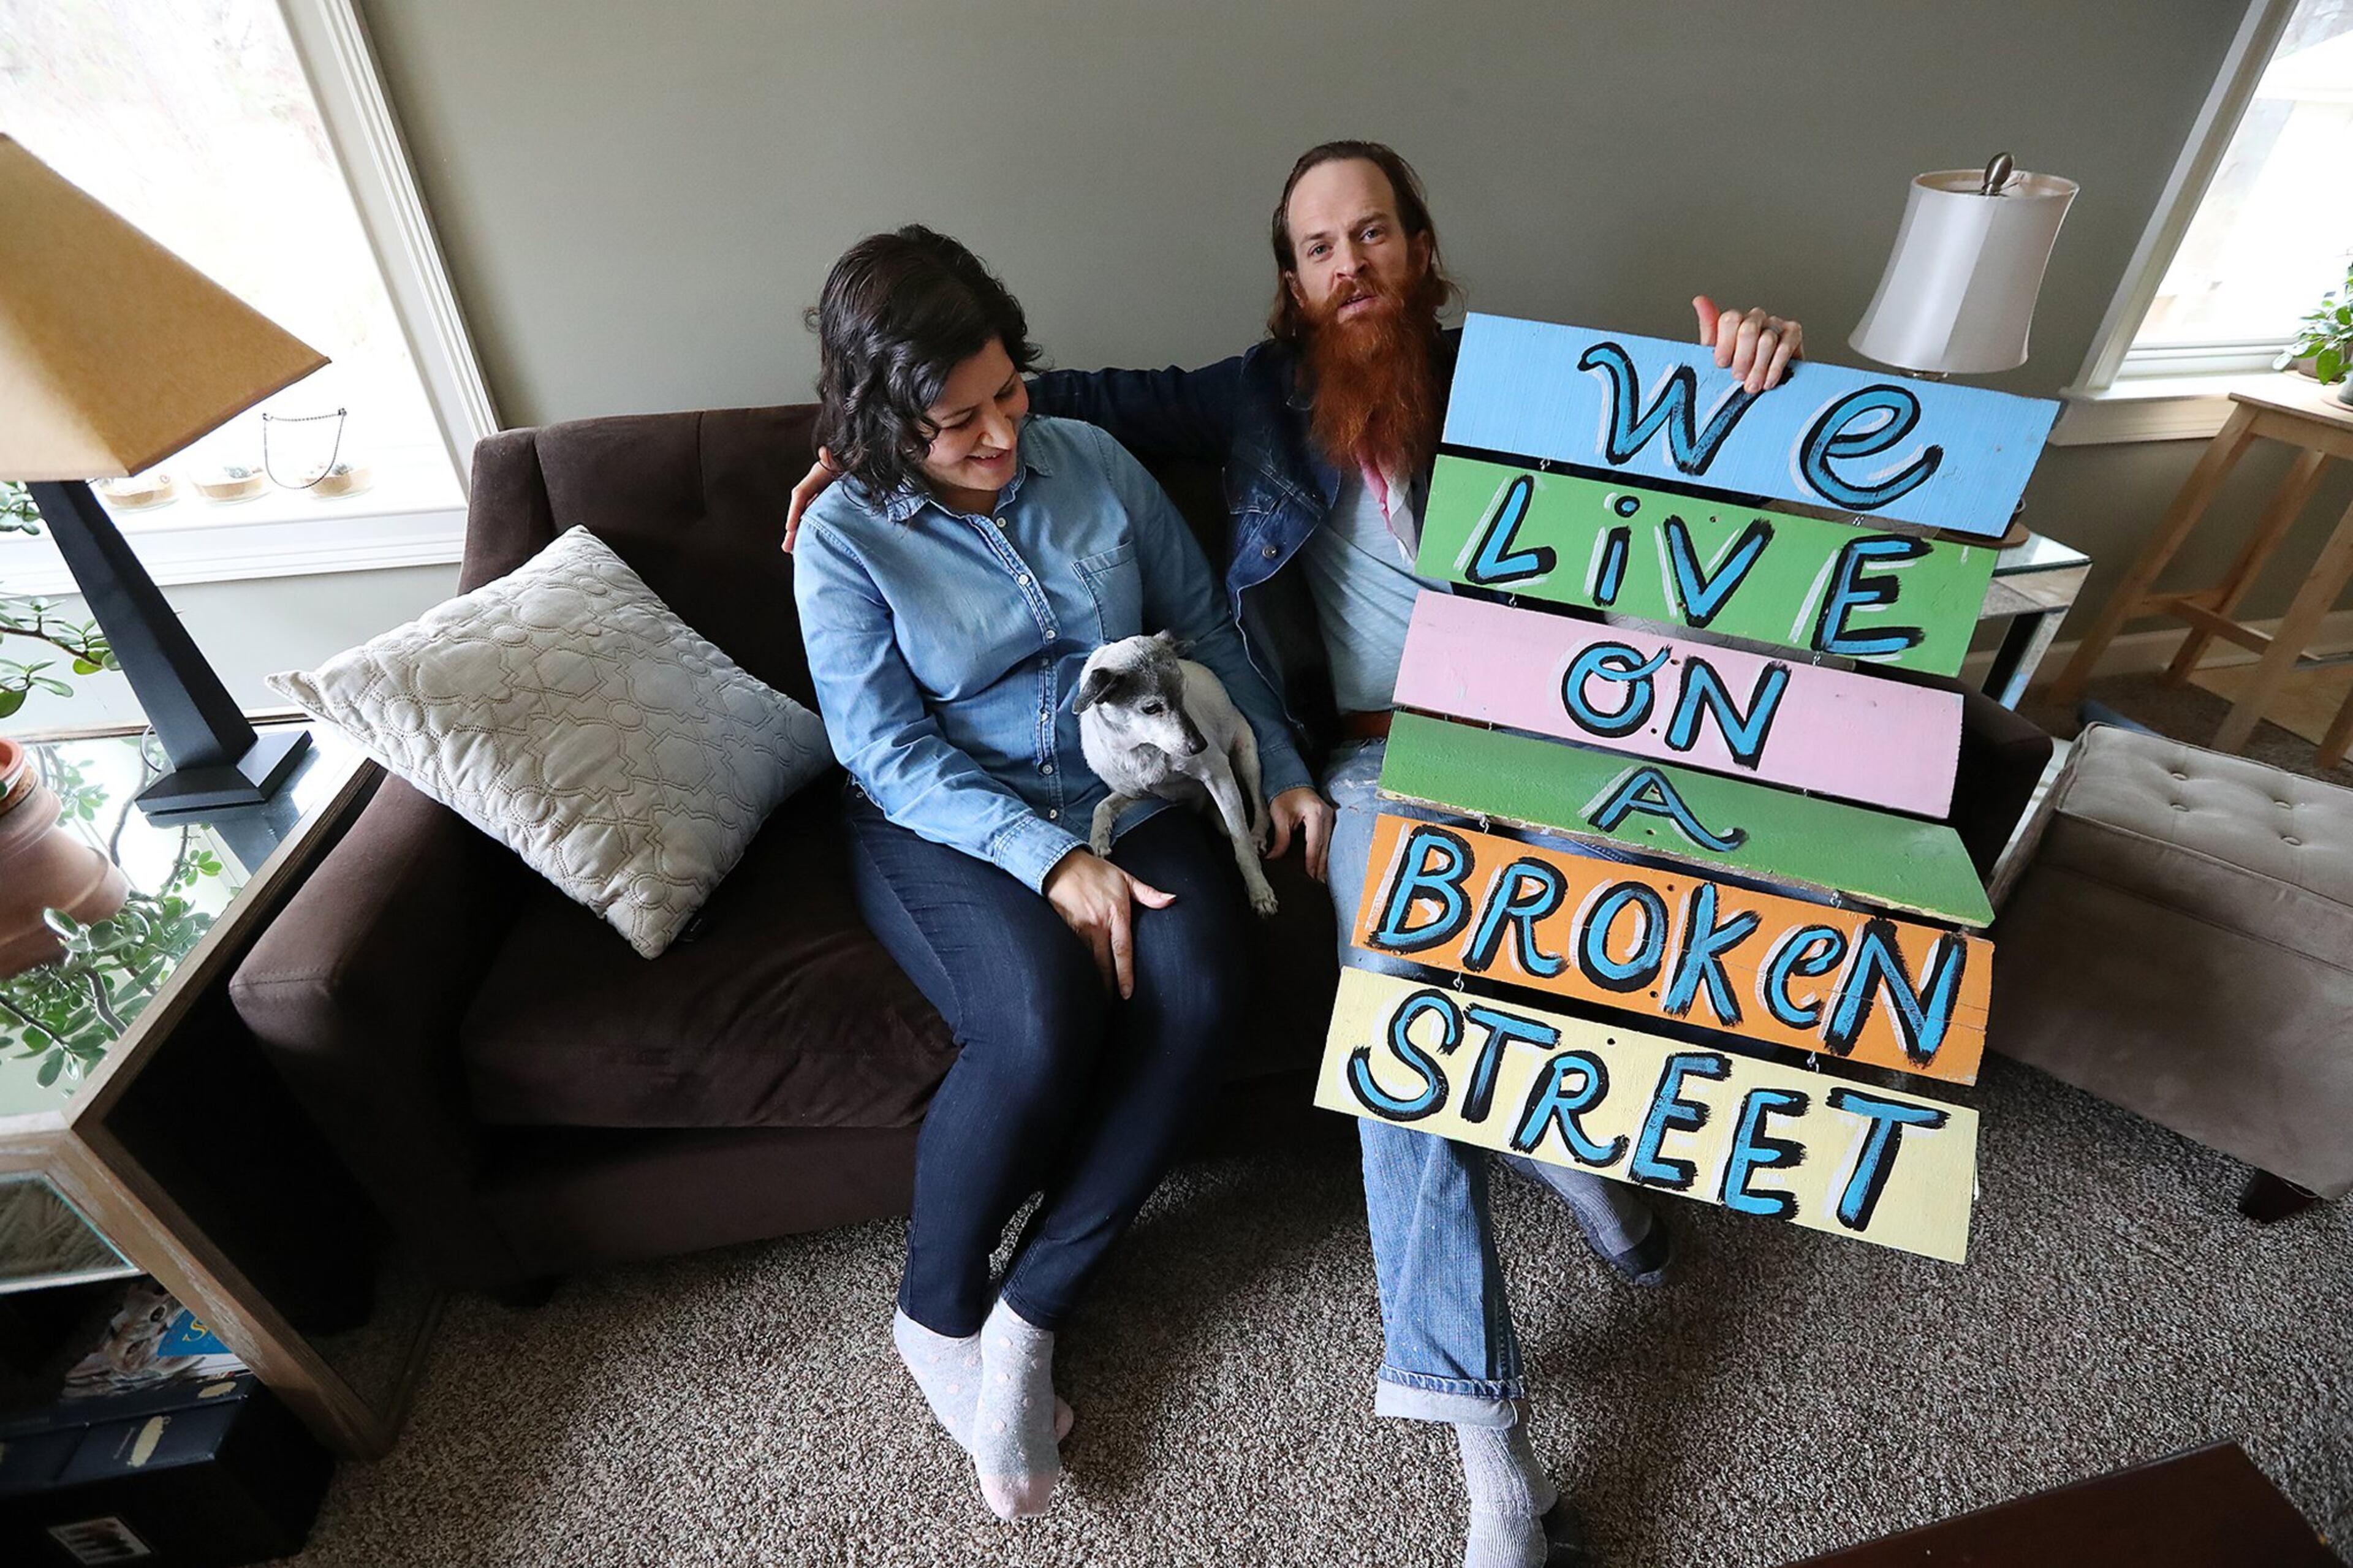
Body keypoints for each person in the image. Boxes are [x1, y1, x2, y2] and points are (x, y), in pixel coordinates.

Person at [786, 146, 1803, 1568]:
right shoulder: (1240, 395)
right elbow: (917, 684)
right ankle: (1486, 1449)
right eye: (1320, 246)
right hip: (1335, 760)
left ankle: (1553, 1127)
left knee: (1694, 897)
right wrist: (864, 449)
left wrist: (1752, 378)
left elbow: (1697, 458)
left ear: (1422, 246)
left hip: (1547, 734)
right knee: (1394, 1004)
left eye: (1373, 233)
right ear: (1292, 280)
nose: (1351, 266)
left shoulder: (1536, 378)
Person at [789, 225, 1332, 1523]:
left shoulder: (1091, 461)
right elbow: (889, 750)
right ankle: (934, 1311)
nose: (999, 436)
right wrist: (1048, 866)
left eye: (1010, 396)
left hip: (1123, 789)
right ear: (879, 423)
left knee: (1205, 987)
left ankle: (1027, 1310)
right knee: (1039, 1014)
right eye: (956, 420)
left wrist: (1284, 762)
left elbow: (1201, 629)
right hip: (947, 817)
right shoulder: (842, 541)